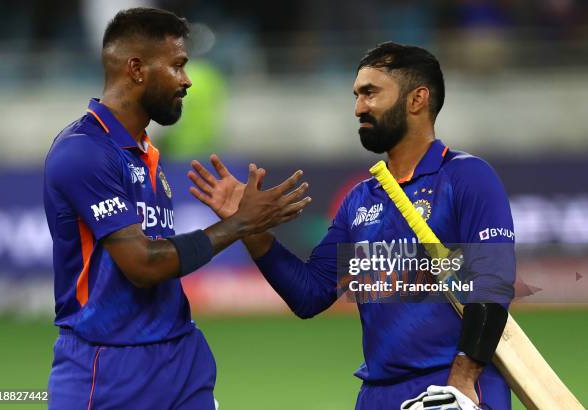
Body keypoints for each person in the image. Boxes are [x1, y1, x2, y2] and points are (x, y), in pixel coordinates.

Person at [188, 42, 515, 409]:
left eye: (371, 93)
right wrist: (246, 226)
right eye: (357, 95)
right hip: (378, 393)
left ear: (417, 99)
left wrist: (462, 380)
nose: (359, 107)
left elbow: (492, 284)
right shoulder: (360, 199)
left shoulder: (466, 176)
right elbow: (310, 294)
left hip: (453, 388)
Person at [43, 7, 310, 409]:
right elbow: (143, 265)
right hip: (108, 371)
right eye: (178, 66)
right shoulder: (83, 151)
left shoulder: (146, 152)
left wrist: (243, 223)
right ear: (136, 68)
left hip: (181, 357)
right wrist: (239, 224)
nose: (187, 81)